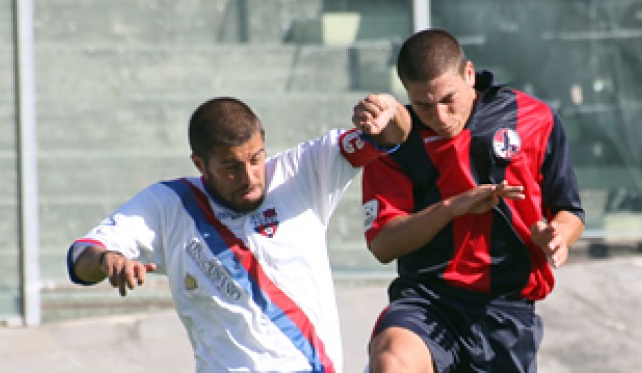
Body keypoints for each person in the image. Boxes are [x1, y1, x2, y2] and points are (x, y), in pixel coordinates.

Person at [66, 95, 411, 373]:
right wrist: (108, 260)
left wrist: (390, 112)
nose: (249, 177)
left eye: (256, 159)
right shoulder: (170, 205)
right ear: (200, 164)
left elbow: (393, 135)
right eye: (231, 167)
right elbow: (83, 256)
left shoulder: (303, 172)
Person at [361, 28, 586, 372]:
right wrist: (452, 207)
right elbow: (383, 244)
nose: (439, 116)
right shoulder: (395, 141)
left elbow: (570, 211)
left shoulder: (535, 119)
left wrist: (557, 236)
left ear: (469, 74)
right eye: (423, 104)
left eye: (448, 99)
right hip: (427, 300)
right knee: (392, 362)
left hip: (507, 312)